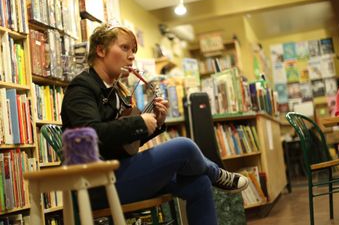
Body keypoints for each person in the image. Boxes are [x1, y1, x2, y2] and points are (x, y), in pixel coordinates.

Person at [61, 24, 248, 225]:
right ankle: (216, 173)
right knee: (184, 146)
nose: (131, 56)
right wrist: (139, 123)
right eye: (124, 48)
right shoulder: (81, 87)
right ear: (100, 50)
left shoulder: (115, 91)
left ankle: (210, 175)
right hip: (95, 185)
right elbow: (91, 134)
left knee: (199, 184)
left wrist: (155, 123)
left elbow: (122, 145)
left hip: (117, 173)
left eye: (133, 50)